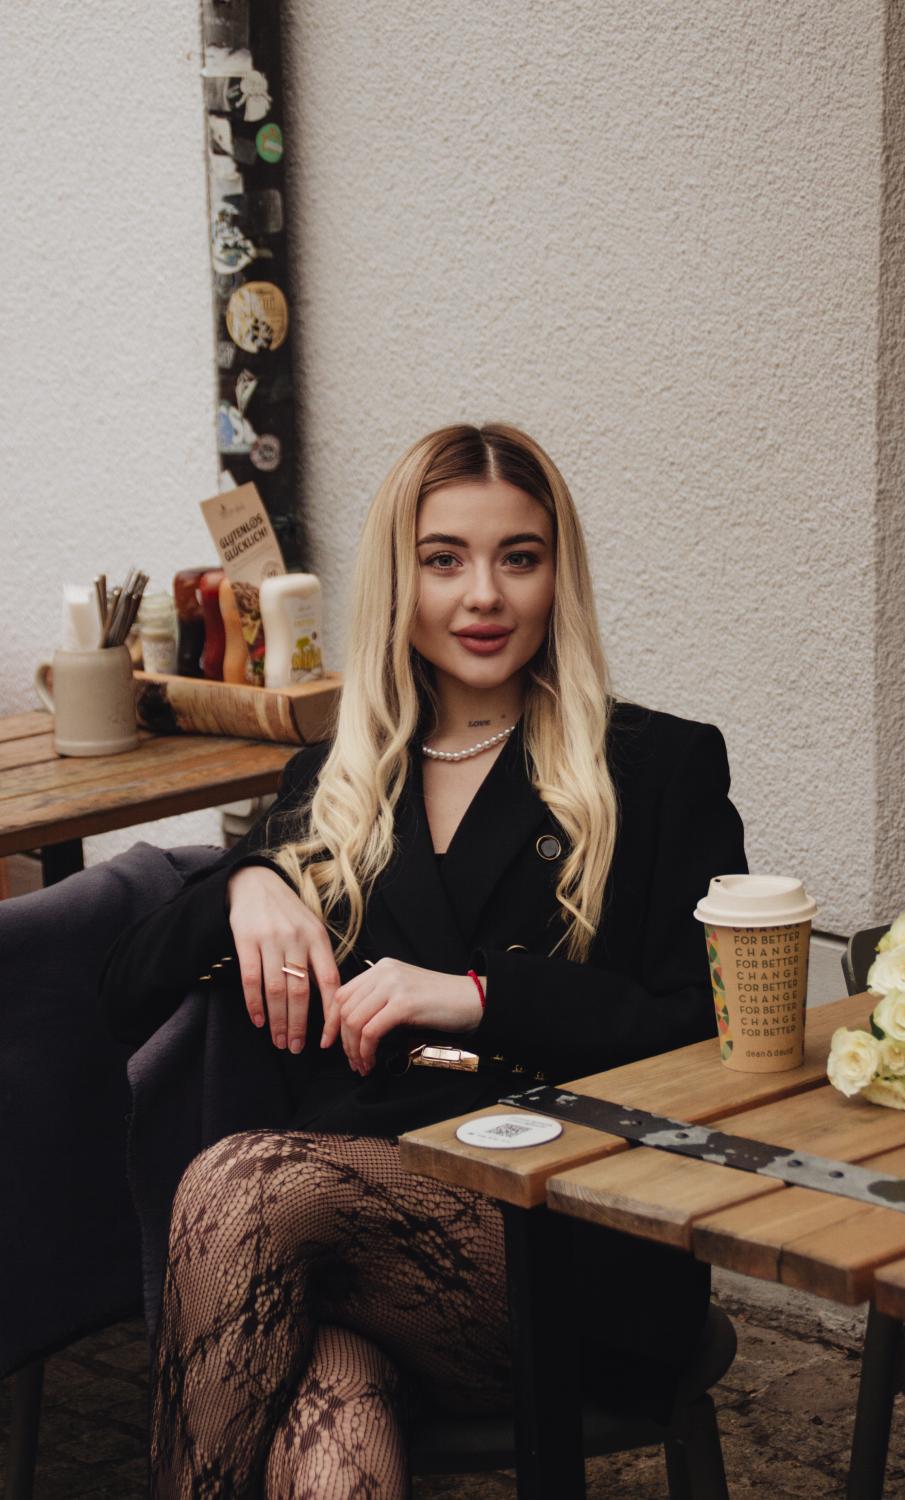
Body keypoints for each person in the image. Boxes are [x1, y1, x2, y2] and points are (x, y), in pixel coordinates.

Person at [100, 422, 747, 1498]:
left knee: (243, 1186)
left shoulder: (657, 765)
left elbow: (709, 1029)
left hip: (569, 1239)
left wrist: (483, 997)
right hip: (339, 1253)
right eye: (444, 560)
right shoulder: (340, 777)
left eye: (518, 557)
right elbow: (124, 992)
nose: (483, 595)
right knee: (327, 1429)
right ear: (399, 582)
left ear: (559, 576)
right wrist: (245, 884)